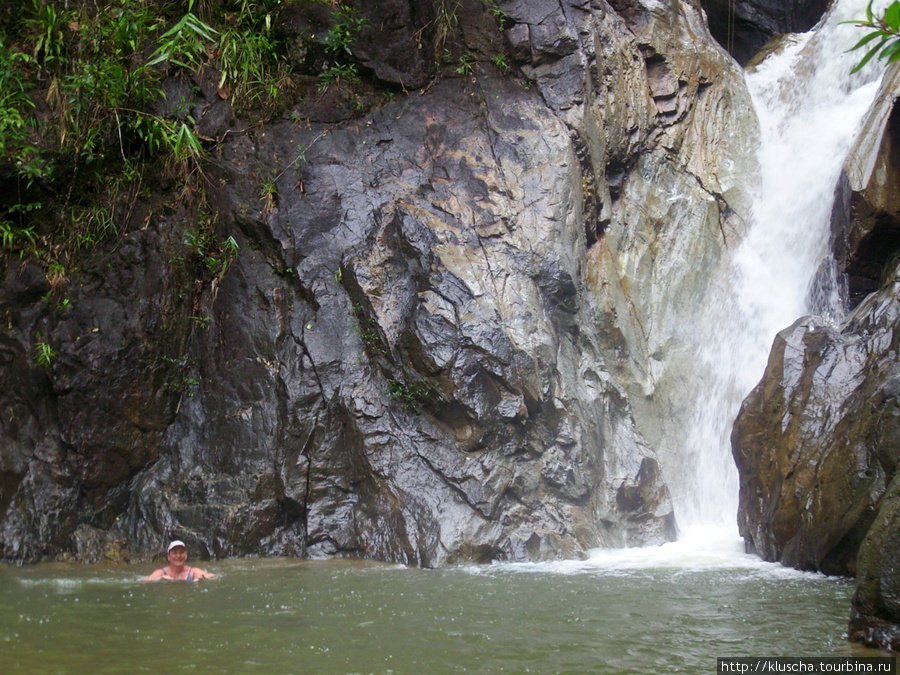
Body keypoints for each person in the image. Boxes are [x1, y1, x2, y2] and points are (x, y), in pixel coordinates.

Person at [142, 540, 216, 582]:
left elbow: (213, 576)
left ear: (186, 555)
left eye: (181, 553)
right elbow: (144, 580)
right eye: (174, 553)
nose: (178, 556)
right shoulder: (161, 573)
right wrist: (160, 578)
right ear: (168, 557)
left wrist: (202, 578)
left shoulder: (193, 572)